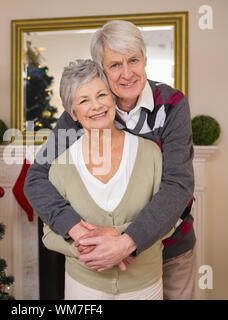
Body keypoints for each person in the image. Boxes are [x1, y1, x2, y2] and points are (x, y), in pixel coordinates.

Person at [24, 20, 196, 300]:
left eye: (133, 60)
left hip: (172, 248)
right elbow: (36, 178)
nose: (127, 73)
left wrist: (127, 242)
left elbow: (177, 185)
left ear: (145, 60)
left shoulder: (172, 104)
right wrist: (78, 230)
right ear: (101, 70)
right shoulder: (84, 111)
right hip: (96, 257)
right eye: (115, 65)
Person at [42, 58, 167, 299]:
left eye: (101, 95)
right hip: (83, 285)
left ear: (113, 99)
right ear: (73, 113)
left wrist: (119, 241)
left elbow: (169, 219)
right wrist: (94, 253)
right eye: (84, 100)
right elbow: (49, 234)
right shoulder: (60, 164)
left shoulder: (150, 153)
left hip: (144, 285)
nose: (96, 106)